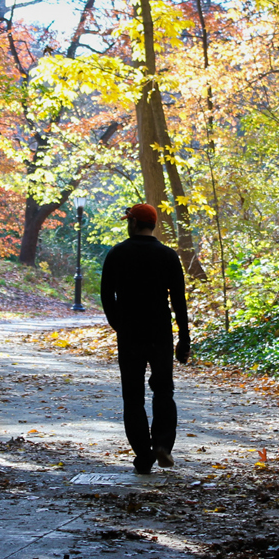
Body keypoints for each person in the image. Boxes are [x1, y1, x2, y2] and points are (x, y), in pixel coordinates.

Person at [100, 204, 191, 475]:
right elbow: (178, 300)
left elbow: (107, 297)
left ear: (134, 223)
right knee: (163, 390)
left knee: (133, 396)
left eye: (129, 220)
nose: (127, 224)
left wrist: (120, 324)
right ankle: (162, 444)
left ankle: (143, 454)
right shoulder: (167, 255)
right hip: (160, 331)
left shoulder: (117, 253)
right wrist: (183, 337)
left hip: (130, 333)